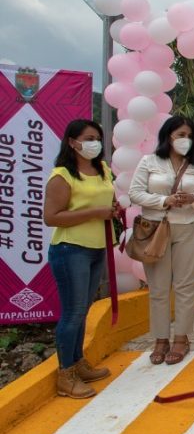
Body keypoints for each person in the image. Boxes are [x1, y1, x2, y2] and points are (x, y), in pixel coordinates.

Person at [128, 116, 194, 365]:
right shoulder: (150, 161)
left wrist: (193, 199)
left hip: (192, 228)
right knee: (158, 288)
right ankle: (160, 340)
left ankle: (181, 339)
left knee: (186, 286)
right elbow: (135, 193)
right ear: (168, 136)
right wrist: (163, 201)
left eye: (190, 136)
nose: (185, 140)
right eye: (180, 135)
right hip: (157, 229)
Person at [44, 119, 116, 398]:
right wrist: (95, 213)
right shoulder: (62, 175)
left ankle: (77, 362)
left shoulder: (102, 169)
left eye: (97, 138)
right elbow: (52, 217)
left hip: (97, 247)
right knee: (72, 313)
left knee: (83, 309)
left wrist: (111, 208)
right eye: (88, 138)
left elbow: (103, 200)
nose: (94, 143)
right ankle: (65, 374)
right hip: (71, 249)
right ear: (72, 142)